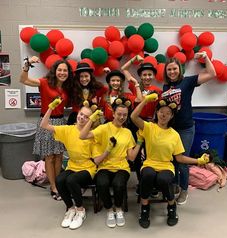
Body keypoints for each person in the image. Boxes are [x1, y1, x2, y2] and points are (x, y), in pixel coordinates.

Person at [130, 94, 210, 229]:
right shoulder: (149, 127)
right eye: (161, 112)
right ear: (157, 112)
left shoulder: (174, 135)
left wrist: (198, 161)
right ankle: (145, 209)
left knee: (163, 179)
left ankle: (172, 207)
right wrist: (145, 100)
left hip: (166, 165)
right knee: (148, 175)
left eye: (168, 113)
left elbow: (179, 158)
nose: (164, 115)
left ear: (172, 116)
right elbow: (133, 117)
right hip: (150, 163)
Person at [162, 51, 216, 205]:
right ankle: (176, 186)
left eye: (174, 69)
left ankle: (184, 189)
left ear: (179, 69)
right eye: (169, 69)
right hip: (171, 129)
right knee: (172, 160)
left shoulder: (188, 81)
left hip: (185, 128)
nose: (172, 72)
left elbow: (212, 73)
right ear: (166, 72)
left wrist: (205, 58)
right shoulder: (166, 86)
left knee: (182, 160)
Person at [79, 99, 141, 228]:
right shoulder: (103, 128)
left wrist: (140, 142)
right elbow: (82, 136)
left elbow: (131, 157)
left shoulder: (128, 132)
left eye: (125, 115)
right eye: (119, 114)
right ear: (113, 114)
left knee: (118, 184)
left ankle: (118, 209)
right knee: (102, 183)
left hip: (122, 167)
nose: (122, 117)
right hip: (104, 166)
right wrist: (91, 119)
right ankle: (109, 210)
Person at [20, 56, 73, 200]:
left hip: (61, 122)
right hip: (46, 122)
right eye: (60, 70)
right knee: (49, 157)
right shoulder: (44, 82)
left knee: (59, 156)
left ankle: (59, 184)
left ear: (68, 73)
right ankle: (54, 187)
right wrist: (27, 64)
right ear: (55, 71)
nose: (62, 73)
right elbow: (23, 80)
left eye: (65, 70)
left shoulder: (68, 87)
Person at [40, 100, 97, 229]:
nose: (82, 117)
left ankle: (80, 210)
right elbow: (44, 125)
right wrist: (50, 108)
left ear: (90, 120)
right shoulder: (68, 129)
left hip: (88, 168)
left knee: (71, 180)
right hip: (72, 166)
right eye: (81, 114)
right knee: (59, 180)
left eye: (86, 117)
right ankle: (71, 209)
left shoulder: (92, 133)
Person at [121, 55, 162, 194]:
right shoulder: (135, 86)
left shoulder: (157, 90)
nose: (147, 77)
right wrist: (134, 59)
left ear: (154, 76)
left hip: (150, 125)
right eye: (144, 74)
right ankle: (140, 182)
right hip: (135, 123)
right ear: (140, 76)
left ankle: (152, 183)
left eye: (150, 74)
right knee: (137, 156)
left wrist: (156, 122)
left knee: (151, 154)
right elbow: (124, 69)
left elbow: (159, 109)